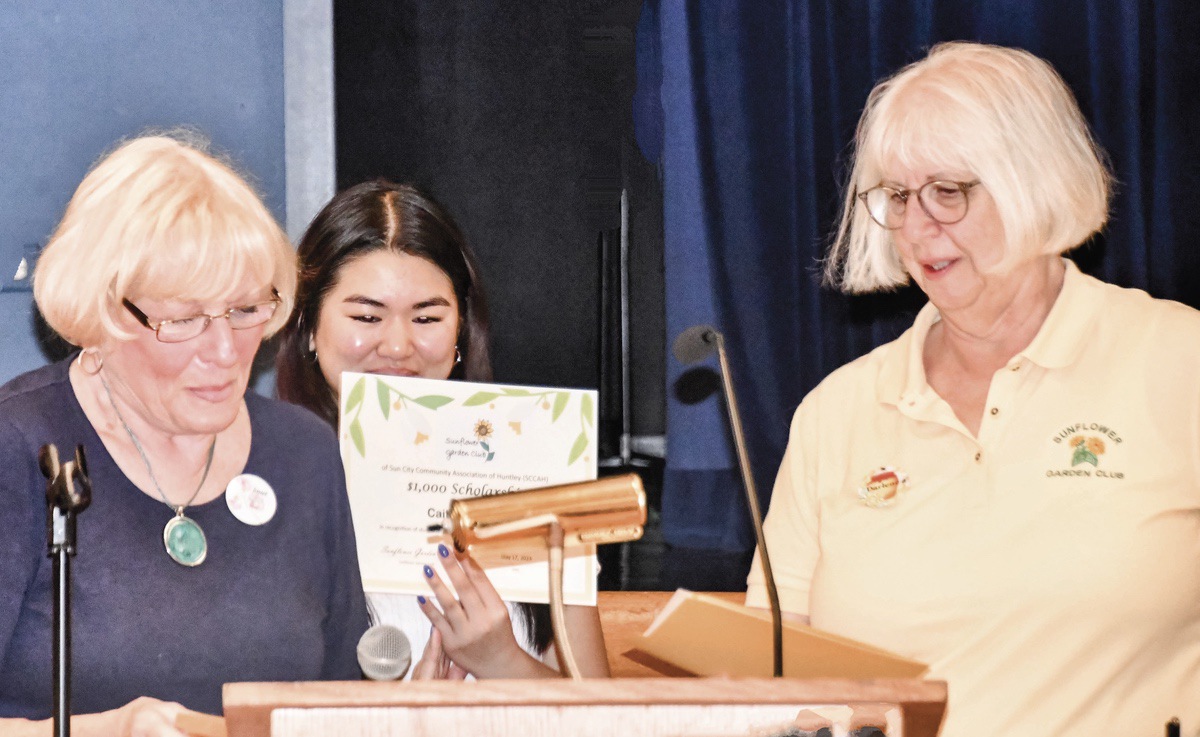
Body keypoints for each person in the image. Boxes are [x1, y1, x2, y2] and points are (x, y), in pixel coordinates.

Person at [746, 42, 1199, 736]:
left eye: (949, 190)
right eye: (898, 196)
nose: (919, 225)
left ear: (1035, 182)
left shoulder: (1177, 359)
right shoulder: (836, 412)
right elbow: (769, 673)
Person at [0, 134, 370, 735]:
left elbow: (339, 706)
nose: (225, 351)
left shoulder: (305, 455)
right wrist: (111, 731)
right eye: (185, 320)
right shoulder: (20, 449)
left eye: (247, 309)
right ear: (103, 316)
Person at [276, 180, 610, 679]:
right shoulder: (268, 476)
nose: (397, 345)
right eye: (367, 315)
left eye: (427, 317)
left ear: (461, 328)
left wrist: (502, 663)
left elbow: (605, 722)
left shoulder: (538, 470)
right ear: (307, 324)